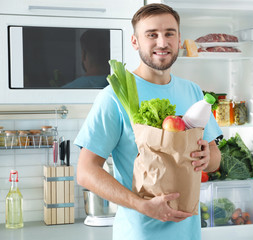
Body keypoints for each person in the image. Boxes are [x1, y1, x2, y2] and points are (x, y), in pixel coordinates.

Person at [75, 3, 222, 240]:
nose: (162, 42)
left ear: (179, 39)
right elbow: (85, 171)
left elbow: (215, 159)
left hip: (190, 234)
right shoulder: (113, 96)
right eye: (152, 34)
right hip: (139, 233)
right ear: (135, 42)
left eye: (169, 34)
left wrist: (208, 157)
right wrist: (140, 205)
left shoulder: (193, 92)